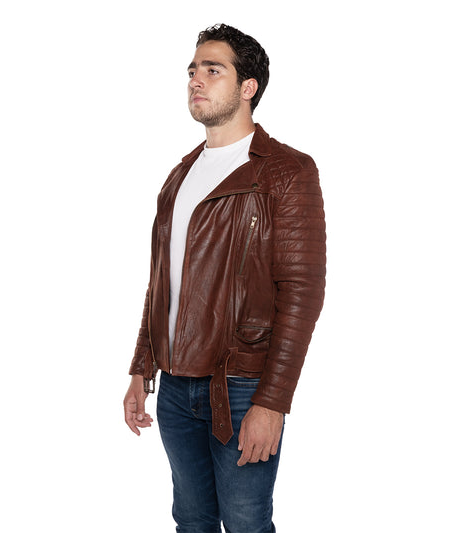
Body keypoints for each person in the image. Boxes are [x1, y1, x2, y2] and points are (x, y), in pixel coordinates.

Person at [124, 23, 326, 533]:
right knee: (191, 520)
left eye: (213, 70)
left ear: (247, 87)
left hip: (241, 387)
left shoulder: (286, 171)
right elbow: (162, 281)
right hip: (175, 387)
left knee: (245, 523)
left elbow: (301, 294)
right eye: (193, 70)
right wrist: (142, 369)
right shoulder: (179, 176)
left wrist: (272, 402)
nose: (196, 79)